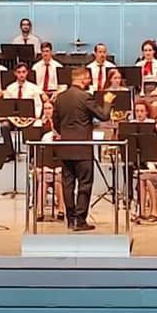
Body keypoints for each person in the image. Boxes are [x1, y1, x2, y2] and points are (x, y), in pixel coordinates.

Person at [54, 67, 113, 231]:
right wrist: (108, 101)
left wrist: (66, 134)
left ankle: (70, 218)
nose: (90, 81)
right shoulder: (85, 97)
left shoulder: (60, 98)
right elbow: (103, 116)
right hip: (82, 148)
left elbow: (56, 122)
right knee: (85, 183)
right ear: (83, 78)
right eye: (88, 79)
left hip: (65, 147)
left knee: (68, 184)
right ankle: (80, 220)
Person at [34, 103, 66, 221]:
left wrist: (53, 124)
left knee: (58, 180)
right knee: (43, 181)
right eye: (45, 108)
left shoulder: (61, 124)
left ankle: (61, 210)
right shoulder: (38, 124)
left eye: (50, 108)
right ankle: (39, 211)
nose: (47, 111)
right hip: (44, 163)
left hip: (59, 163)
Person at [0, 61, 47, 132]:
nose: (21, 75)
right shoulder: (10, 88)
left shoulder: (34, 88)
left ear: (27, 73)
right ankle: (8, 143)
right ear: (15, 73)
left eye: (23, 72)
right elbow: (7, 107)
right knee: (4, 126)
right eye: (19, 72)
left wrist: (35, 117)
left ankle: (28, 142)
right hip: (14, 119)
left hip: (29, 119)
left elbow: (38, 105)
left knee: (36, 125)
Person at [135, 39, 157, 105]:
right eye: (145, 50)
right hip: (142, 91)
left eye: (150, 50)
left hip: (155, 89)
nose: (147, 53)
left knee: (155, 105)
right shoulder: (139, 65)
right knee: (139, 105)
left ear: (154, 51)